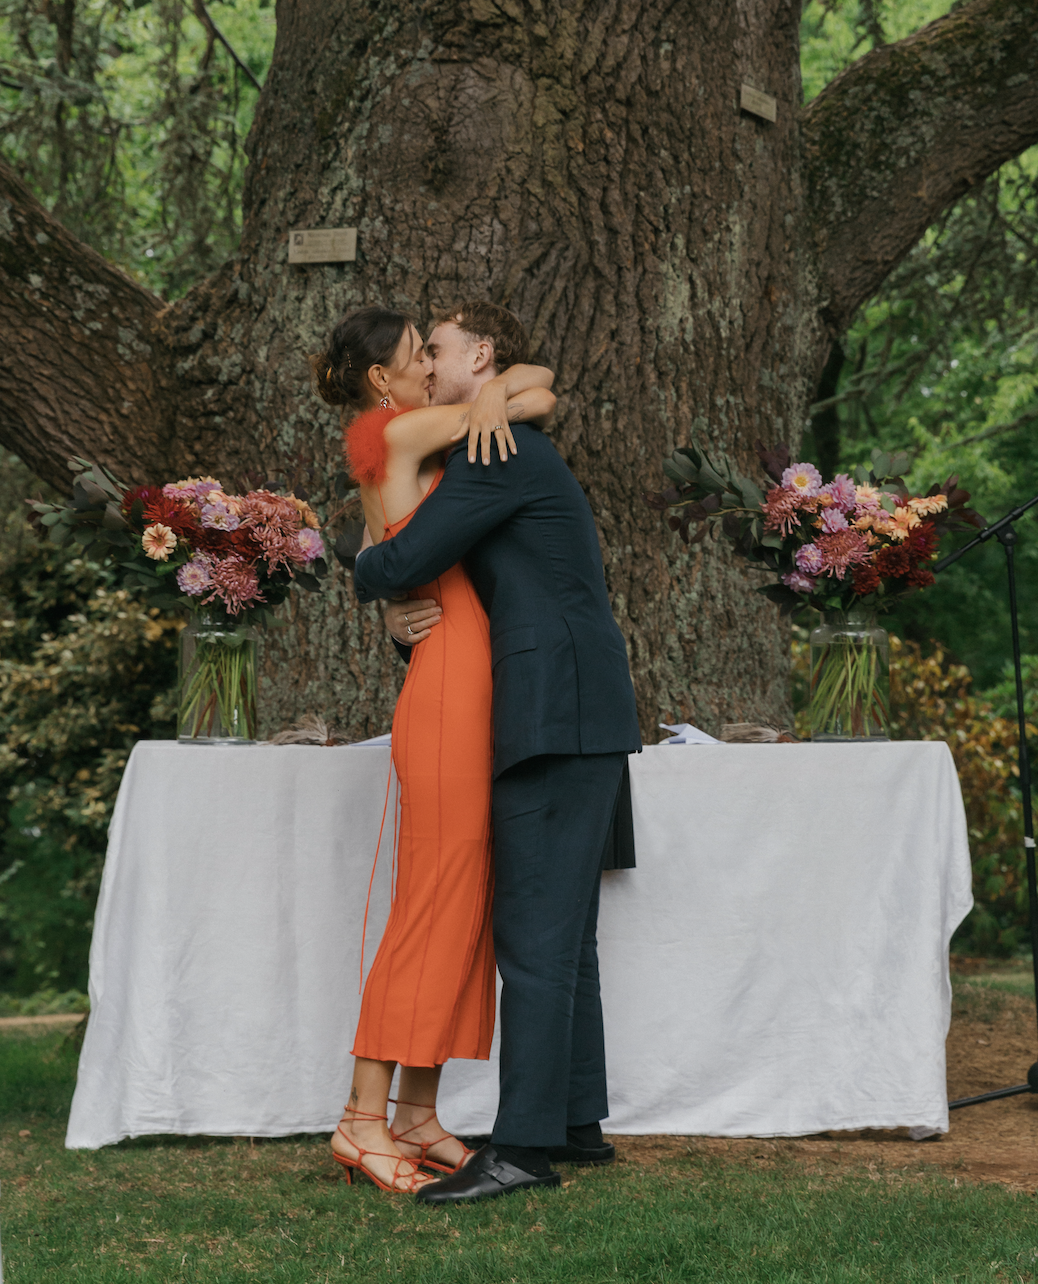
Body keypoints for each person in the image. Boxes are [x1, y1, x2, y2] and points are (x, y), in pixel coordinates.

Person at [353, 301, 642, 1205]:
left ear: (479, 353)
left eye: (436, 350)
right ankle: (574, 1124)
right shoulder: (500, 433)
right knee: (568, 936)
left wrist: (364, 572)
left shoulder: (495, 450)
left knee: (537, 937)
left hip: (554, 709)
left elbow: (401, 562)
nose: (427, 366)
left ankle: (521, 1150)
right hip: (582, 705)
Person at [310, 304, 557, 1194]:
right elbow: (533, 392)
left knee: (462, 900)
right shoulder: (395, 429)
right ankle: (361, 1120)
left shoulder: (408, 433)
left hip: (467, 670)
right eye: (418, 355)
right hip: (449, 677)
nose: (427, 366)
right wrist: (501, 390)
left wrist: (504, 391)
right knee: (433, 900)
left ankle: (417, 1113)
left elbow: (535, 390)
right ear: (382, 377)